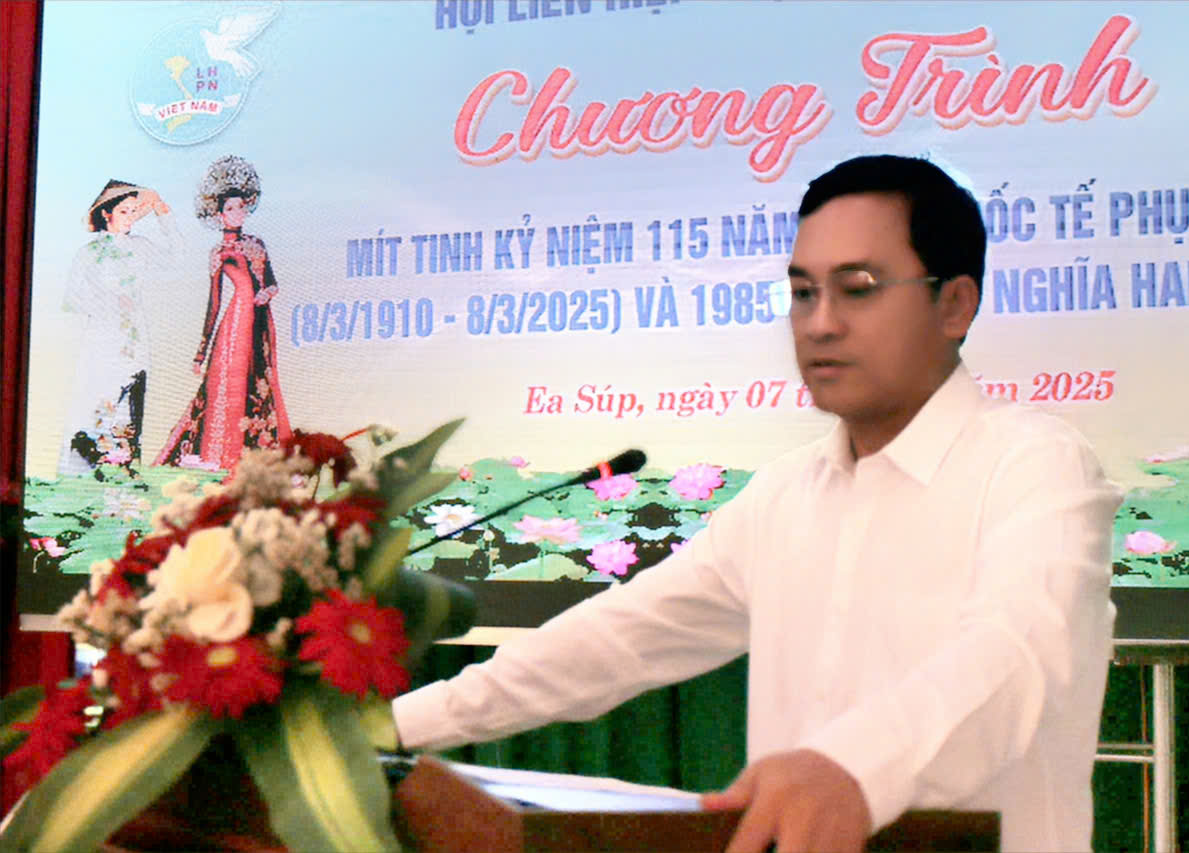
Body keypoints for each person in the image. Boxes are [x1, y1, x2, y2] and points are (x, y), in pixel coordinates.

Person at [392, 155, 1120, 852]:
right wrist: (394, 728)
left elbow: (1018, 657)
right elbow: (618, 640)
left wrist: (851, 771)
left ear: (954, 303)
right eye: (803, 292)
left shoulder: (1032, 464)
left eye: (858, 288)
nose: (820, 323)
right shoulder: (784, 493)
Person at [154, 155, 291, 470]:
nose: (237, 213)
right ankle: (221, 452)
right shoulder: (219, 252)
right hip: (236, 323)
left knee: (260, 381)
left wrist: (267, 293)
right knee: (230, 382)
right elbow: (214, 302)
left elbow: (271, 281)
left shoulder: (257, 243)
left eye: (241, 207)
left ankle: (258, 452)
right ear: (219, 214)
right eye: (230, 208)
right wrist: (201, 352)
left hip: (261, 320)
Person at [59, 180, 175, 478]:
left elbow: (175, 257)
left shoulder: (140, 247)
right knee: (100, 394)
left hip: (135, 334)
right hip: (102, 335)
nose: (130, 217)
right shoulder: (89, 253)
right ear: (106, 213)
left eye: (134, 211)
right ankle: (92, 466)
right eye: (124, 211)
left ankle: (126, 465)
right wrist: (108, 303)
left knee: (133, 393)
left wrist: (163, 215)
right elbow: (72, 298)